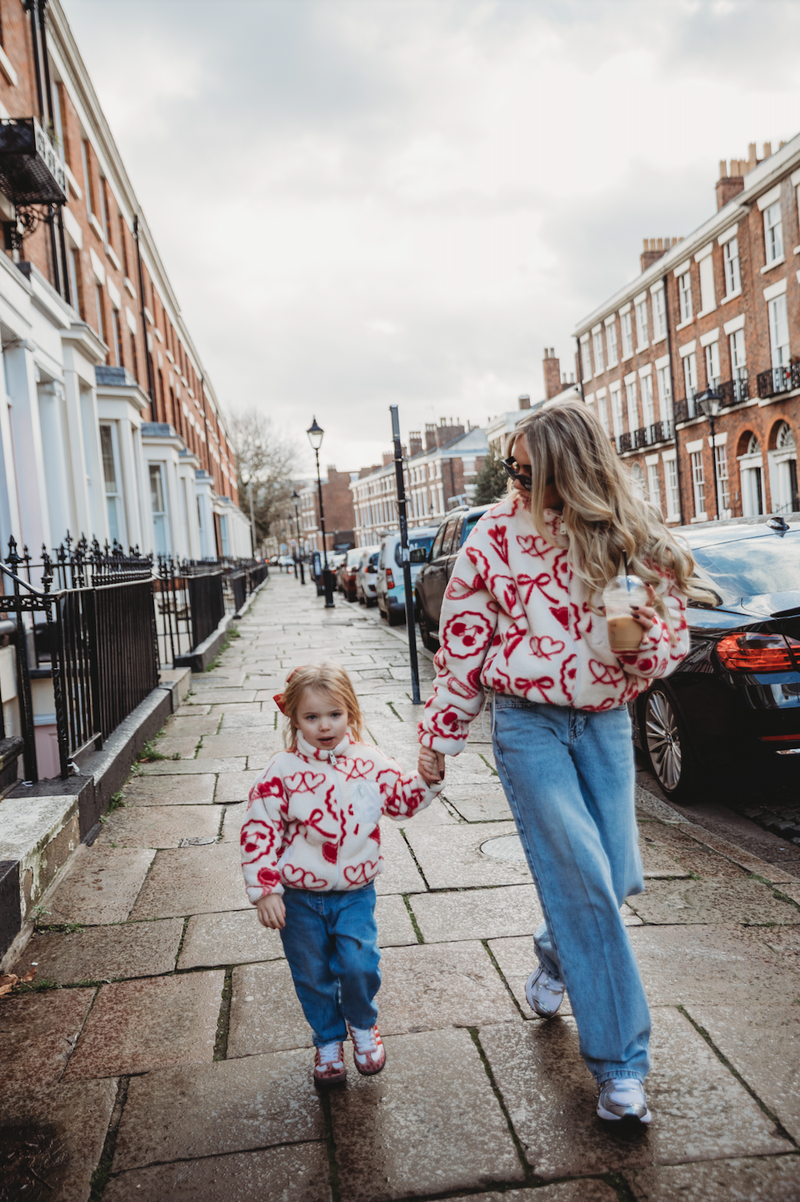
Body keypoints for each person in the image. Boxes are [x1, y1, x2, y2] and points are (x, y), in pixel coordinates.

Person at [416, 399, 701, 1125]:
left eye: (525, 470)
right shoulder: (492, 535)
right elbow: (464, 642)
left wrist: (642, 647)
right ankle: (620, 1069)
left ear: (566, 469)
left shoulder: (626, 531)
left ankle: (555, 955)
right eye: (510, 467)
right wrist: (440, 739)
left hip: (605, 721)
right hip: (526, 725)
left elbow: (672, 636)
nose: (513, 481)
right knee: (581, 876)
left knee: (614, 877)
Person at [242, 661, 444, 1086]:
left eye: (334, 714)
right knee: (312, 974)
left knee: (358, 963)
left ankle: (362, 1023)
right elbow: (259, 826)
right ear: (294, 719)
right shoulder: (281, 772)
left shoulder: (369, 762)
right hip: (298, 897)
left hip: (354, 891)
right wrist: (265, 889)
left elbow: (402, 800)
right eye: (311, 717)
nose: (324, 725)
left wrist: (426, 778)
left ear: (350, 712)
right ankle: (328, 1039)